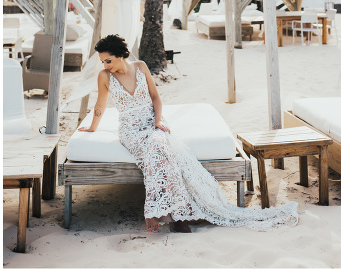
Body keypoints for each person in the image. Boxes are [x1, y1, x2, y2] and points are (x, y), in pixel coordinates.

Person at [78, 34, 299, 233]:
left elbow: (155, 97)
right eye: (103, 62)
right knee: (158, 149)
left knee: (160, 145)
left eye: (108, 60)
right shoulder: (104, 76)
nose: (105, 65)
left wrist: (157, 121)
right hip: (131, 130)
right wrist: (92, 127)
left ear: (120, 56)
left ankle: (170, 213)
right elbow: (100, 104)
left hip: (153, 122)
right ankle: (171, 215)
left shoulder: (141, 67)